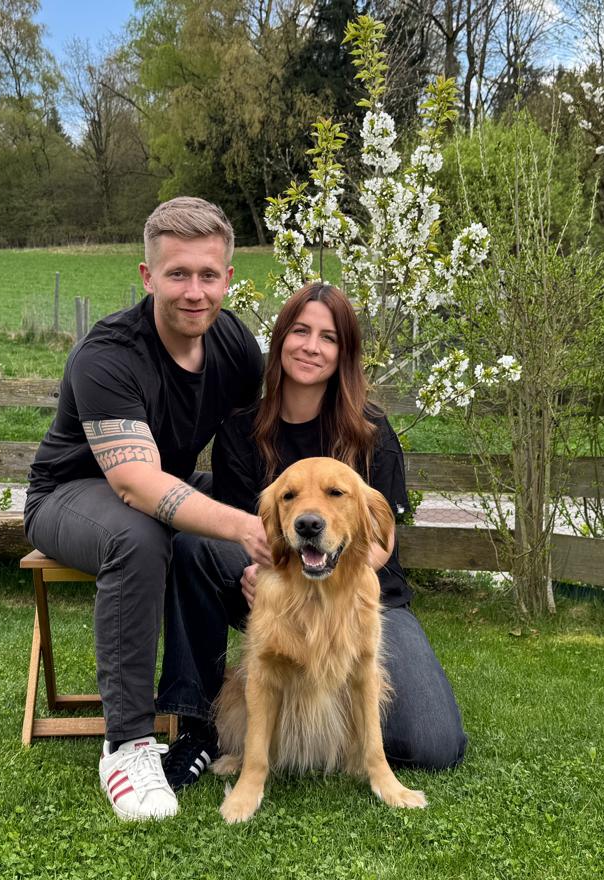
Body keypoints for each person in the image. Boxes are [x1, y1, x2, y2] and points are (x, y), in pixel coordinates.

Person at [155, 281, 468, 791]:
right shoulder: (240, 431)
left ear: (344, 352)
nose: (311, 346)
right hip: (275, 584)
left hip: (364, 598)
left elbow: (383, 544)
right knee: (189, 545)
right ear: (279, 342)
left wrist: (325, 571)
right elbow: (241, 530)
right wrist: (262, 572)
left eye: (328, 336)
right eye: (300, 331)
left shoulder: (370, 432)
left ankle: (336, 727)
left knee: (436, 744)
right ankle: (197, 724)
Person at [24, 197, 268, 822]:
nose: (194, 291)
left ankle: (209, 718)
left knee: (217, 523)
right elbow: (136, 485)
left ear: (228, 279)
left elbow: (266, 430)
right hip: (72, 497)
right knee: (141, 533)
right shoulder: (108, 354)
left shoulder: (234, 345)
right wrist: (245, 527)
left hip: (166, 490)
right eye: (178, 273)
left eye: (208, 275)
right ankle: (128, 745)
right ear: (147, 276)